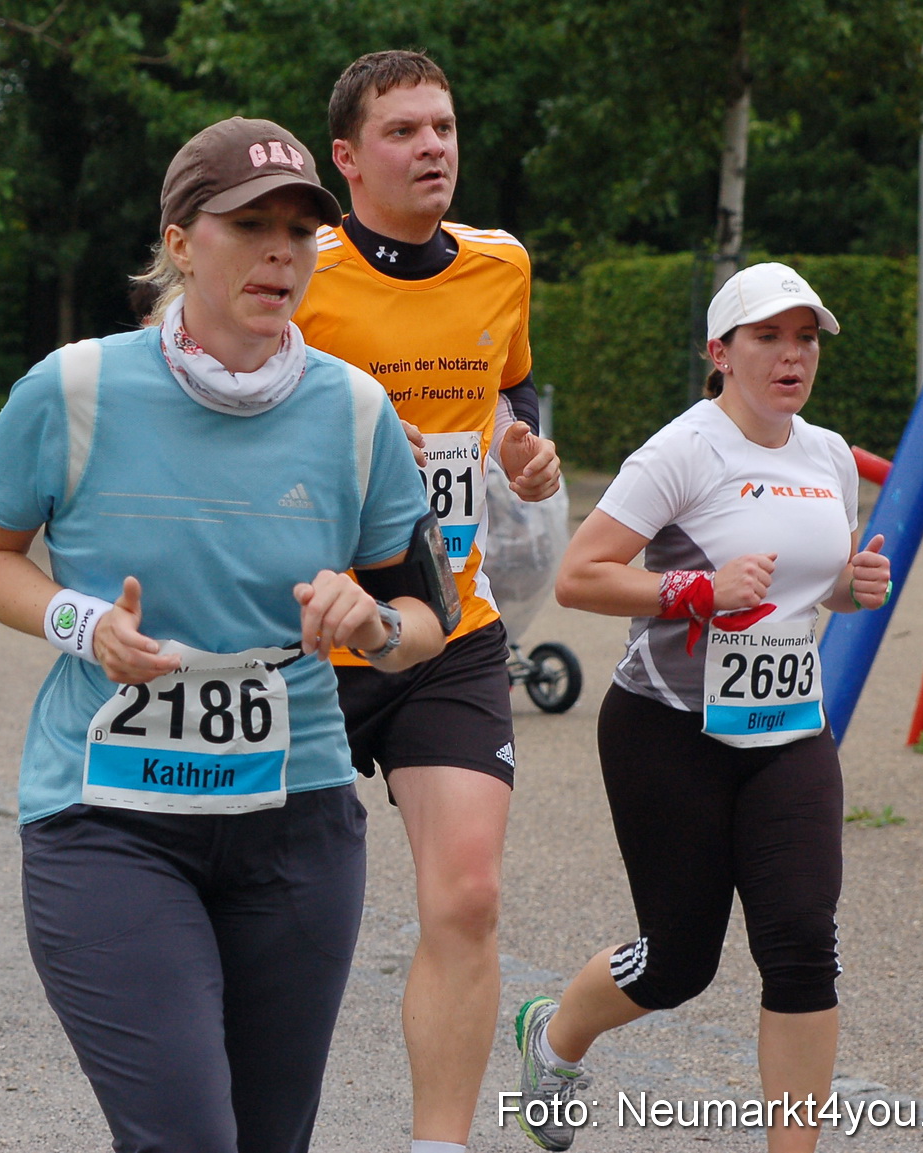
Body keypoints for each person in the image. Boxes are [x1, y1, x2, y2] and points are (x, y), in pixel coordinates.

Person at [0, 116, 448, 1153]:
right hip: (109, 819)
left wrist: (375, 622)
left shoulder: (355, 410)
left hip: (296, 817)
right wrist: (84, 623)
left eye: (302, 231)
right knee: (184, 1137)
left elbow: (426, 619)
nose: (281, 253)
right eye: (249, 225)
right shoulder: (76, 387)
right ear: (179, 241)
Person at [513, 264, 891, 1153]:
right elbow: (579, 576)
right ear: (720, 353)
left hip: (790, 729)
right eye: (768, 337)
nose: (792, 355)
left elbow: (805, 588)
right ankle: (556, 1032)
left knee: (803, 941)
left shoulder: (828, 455)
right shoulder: (684, 450)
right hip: (666, 731)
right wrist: (697, 589)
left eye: (805, 337)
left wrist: (848, 586)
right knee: (679, 962)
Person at [290, 50, 560, 1153]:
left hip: (447, 628)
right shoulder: (291, 265)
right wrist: (341, 441)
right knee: (286, 924)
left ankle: (436, 1144)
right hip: (303, 634)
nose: (433, 147)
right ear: (347, 159)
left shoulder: (501, 262)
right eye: (404, 132)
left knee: (467, 896)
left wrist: (520, 448)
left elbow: (509, 383)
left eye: (443, 127)